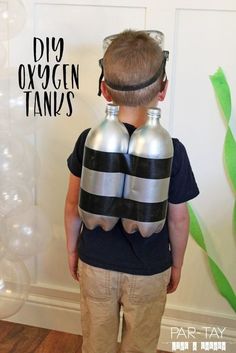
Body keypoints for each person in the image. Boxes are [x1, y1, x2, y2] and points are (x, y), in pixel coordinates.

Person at [64, 30, 199, 353]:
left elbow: (72, 205)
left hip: (96, 263)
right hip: (149, 269)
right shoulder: (172, 150)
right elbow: (179, 220)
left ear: (103, 90)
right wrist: (176, 264)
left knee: (96, 344)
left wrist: (72, 250)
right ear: (163, 90)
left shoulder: (88, 140)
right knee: (141, 345)